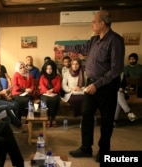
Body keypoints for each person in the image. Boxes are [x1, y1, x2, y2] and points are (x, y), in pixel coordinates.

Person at [55, 10, 125, 162]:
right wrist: (65, 48)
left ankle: (104, 151)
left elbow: (116, 69)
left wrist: (97, 84)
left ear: (102, 23)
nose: (91, 24)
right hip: (91, 84)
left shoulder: (115, 40)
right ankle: (86, 148)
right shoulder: (94, 40)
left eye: (94, 21)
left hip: (106, 86)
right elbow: (81, 48)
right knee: (86, 116)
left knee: (106, 121)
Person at [39, 60, 61, 127]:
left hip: (54, 93)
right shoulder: (42, 76)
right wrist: (46, 91)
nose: (49, 70)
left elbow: (58, 86)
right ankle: (47, 118)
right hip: (45, 93)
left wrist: (52, 90)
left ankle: (53, 118)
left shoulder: (57, 76)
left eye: (50, 68)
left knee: (55, 100)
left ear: (53, 69)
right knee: (44, 100)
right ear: (45, 69)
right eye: (47, 68)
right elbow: (41, 85)